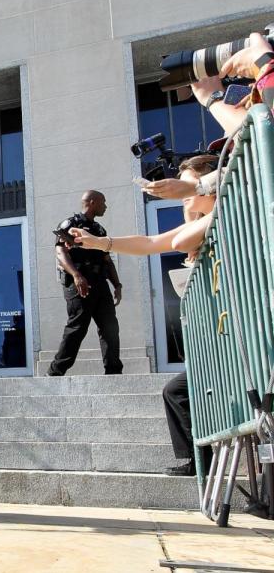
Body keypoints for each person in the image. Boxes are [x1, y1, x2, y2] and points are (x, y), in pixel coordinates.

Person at [70, 156, 217, 476]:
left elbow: (178, 241)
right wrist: (99, 243)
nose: (185, 196)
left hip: (248, 332)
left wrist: (190, 198)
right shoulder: (207, 218)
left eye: (191, 187)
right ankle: (200, 461)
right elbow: (150, 242)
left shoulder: (228, 210)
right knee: (178, 391)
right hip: (224, 337)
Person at [46, 190, 123, 377]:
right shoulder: (70, 224)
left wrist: (117, 284)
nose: (106, 206)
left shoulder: (99, 230)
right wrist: (76, 275)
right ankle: (55, 372)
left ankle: (113, 372)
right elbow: (60, 253)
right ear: (92, 202)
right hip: (79, 283)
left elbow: (107, 259)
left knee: (110, 327)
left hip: (99, 283)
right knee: (77, 327)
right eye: (103, 202)